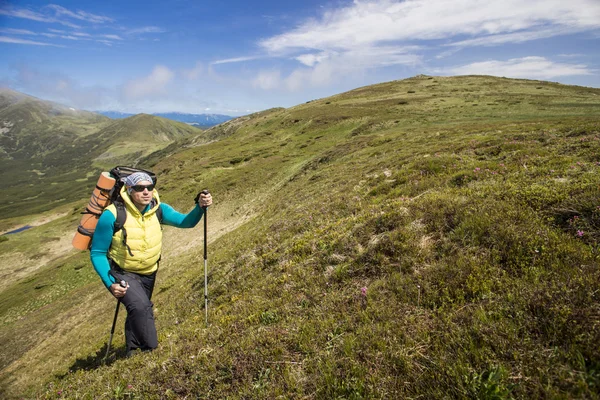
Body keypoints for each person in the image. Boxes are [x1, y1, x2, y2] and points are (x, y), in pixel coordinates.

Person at [90, 171, 212, 356]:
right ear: (129, 190)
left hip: (149, 272)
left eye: (149, 187)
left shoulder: (159, 209)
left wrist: (199, 207)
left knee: (137, 309)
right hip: (122, 272)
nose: (146, 191)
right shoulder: (113, 214)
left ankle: (133, 352)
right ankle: (150, 353)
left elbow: (186, 222)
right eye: (139, 188)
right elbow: (98, 253)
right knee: (141, 307)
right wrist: (110, 283)